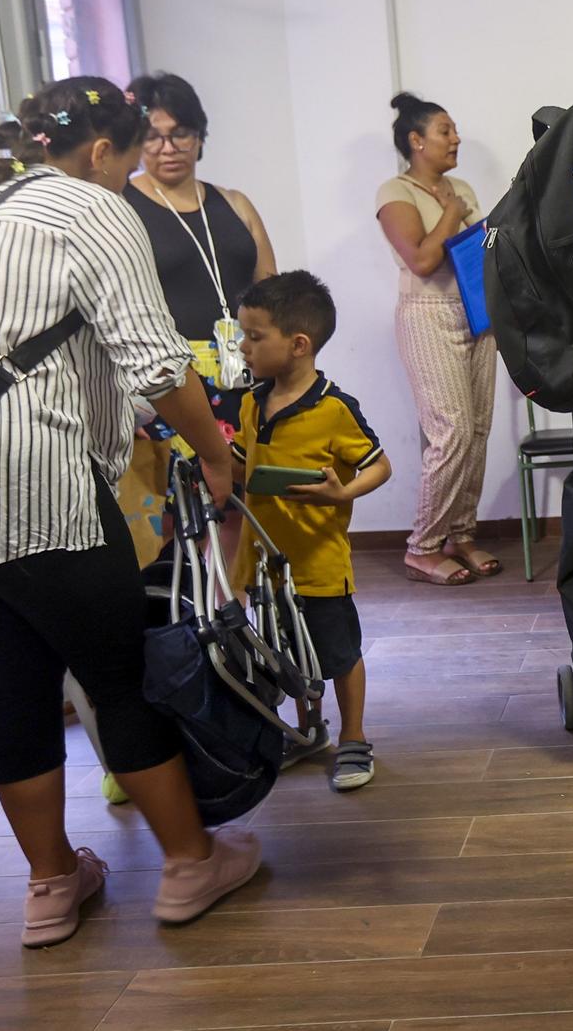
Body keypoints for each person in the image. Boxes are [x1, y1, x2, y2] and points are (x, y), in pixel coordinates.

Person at [0, 76, 260, 948]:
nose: (128, 180)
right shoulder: (89, 207)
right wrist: (218, 453)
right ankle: (192, 862)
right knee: (117, 674)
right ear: (99, 152)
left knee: (14, 676)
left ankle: (50, 885)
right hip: (30, 495)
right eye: (126, 163)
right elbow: (157, 360)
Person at [232, 270, 392, 790]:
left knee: (338, 653)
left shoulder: (334, 408)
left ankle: (353, 738)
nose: (244, 346)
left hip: (319, 562)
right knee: (286, 654)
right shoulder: (251, 403)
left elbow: (379, 465)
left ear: (299, 344)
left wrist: (344, 492)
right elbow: (240, 462)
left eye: (255, 337)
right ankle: (309, 733)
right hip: (264, 562)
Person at [375, 92, 501, 585]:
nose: (456, 138)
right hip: (427, 315)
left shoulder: (462, 186)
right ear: (416, 139)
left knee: (478, 429)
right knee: (451, 430)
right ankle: (422, 547)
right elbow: (423, 260)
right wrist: (451, 213)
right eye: (445, 131)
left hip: (476, 314)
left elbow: (477, 251)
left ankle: (460, 534)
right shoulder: (395, 193)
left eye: (455, 130)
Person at [123, 72, 278, 433]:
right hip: (168, 382)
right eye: (152, 137)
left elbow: (273, 294)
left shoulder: (235, 203)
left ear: (199, 136)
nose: (168, 147)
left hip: (248, 369)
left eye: (180, 133)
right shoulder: (120, 208)